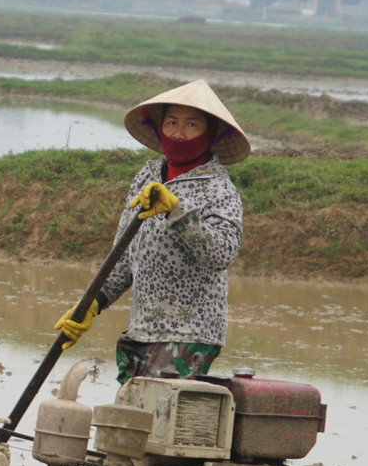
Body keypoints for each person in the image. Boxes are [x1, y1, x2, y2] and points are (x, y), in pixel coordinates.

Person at [55, 79, 249, 383]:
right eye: (171, 122)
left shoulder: (219, 189)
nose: (178, 133)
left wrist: (178, 211)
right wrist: (93, 302)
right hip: (142, 329)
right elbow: (123, 254)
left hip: (190, 333)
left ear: (209, 133)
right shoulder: (145, 178)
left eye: (191, 124)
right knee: (128, 417)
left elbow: (222, 253)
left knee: (157, 415)